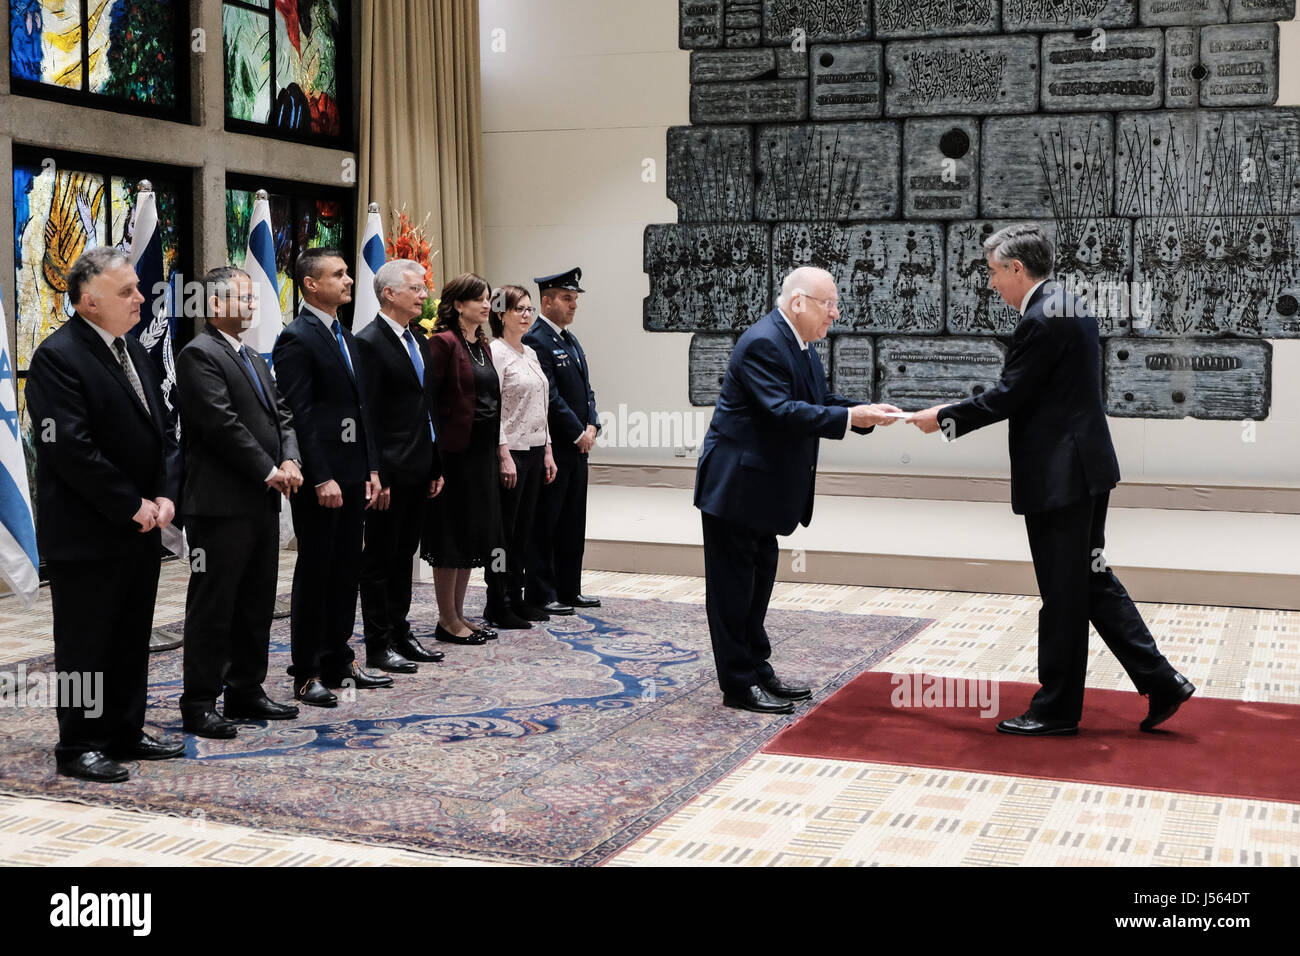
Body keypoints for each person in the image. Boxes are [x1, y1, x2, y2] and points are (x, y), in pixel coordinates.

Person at [909, 223, 1194, 736]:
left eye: (995, 272)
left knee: (1064, 594)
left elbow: (1008, 395)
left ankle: (1057, 709)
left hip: (1061, 477)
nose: (992, 283)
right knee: (1090, 578)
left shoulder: (1040, 320)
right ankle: (1162, 680)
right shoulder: (1069, 302)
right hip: (1087, 468)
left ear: (1018, 268)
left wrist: (945, 418)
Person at [694, 267, 902, 714]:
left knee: (757, 584)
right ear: (798, 303)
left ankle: (757, 668)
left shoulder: (800, 344)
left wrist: (862, 411)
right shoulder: (765, 343)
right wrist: (851, 419)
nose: (836, 311)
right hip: (736, 489)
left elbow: (818, 402)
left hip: (762, 493)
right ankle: (738, 683)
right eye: (828, 303)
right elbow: (782, 412)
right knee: (733, 592)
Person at [25, 246, 184, 781]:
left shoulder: (132, 347)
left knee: (129, 635)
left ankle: (124, 728)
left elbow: (161, 431)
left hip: (142, 526)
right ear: (89, 302)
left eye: (138, 287)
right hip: (88, 531)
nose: (141, 298)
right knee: (85, 643)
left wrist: (163, 496)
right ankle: (79, 745)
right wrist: (129, 503)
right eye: (127, 292)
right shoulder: (58, 355)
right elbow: (70, 448)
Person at [175, 266, 304, 738]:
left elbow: (282, 413)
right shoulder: (199, 354)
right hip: (218, 504)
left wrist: (289, 457)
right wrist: (269, 470)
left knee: (256, 600)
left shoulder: (251, 354)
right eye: (244, 299)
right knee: (214, 604)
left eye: (252, 300)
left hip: (261, 501)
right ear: (213, 305)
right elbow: (220, 424)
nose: (253, 307)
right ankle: (200, 701)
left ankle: (246, 689)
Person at [272, 247, 392, 707]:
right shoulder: (297, 338)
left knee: (347, 570)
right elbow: (298, 414)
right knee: (317, 573)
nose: (348, 280)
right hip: (322, 481)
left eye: (347, 273)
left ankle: (340, 658)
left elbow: (363, 412)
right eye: (338, 274)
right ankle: (306, 671)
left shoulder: (344, 334)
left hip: (353, 475)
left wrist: (373, 469)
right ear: (311, 284)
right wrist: (320, 476)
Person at [353, 259, 447, 671]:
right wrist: (379, 474)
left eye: (424, 288)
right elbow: (367, 414)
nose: (424, 295)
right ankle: (378, 642)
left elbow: (426, 409)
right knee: (380, 559)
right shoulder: (369, 342)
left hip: (419, 466)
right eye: (416, 288)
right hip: (389, 472)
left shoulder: (419, 340)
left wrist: (435, 465)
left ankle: (400, 631)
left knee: (405, 553)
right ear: (389, 293)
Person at [421, 273, 506, 645]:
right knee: (451, 536)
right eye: (478, 299)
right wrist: (434, 457)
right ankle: (446, 619)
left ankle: (459, 614)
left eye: (488, 299)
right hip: (454, 455)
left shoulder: (482, 345)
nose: (487, 305)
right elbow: (431, 403)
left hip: (482, 453)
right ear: (458, 304)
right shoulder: (442, 343)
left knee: (472, 535)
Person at [523, 267, 599, 616]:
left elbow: (585, 390)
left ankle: (570, 589)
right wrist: (576, 431)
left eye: (575, 299)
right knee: (547, 521)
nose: (574, 306)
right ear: (547, 300)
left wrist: (593, 423)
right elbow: (550, 396)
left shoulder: (569, 339)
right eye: (567, 298)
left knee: (573, 521)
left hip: (578, 447)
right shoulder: (537, 338)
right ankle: (542, 591)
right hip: (556, 446)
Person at [486, 285, 558, 628]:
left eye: (530, 309)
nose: (527, 315)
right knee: (505, 532)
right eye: (519, 309)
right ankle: (497, 600)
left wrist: (547, 451)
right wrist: (503, 454)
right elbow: (494, 409)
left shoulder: (528, 352)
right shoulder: (496, 353)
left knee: (525, 530)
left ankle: (518, 596)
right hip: (510, 450)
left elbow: (541, 407)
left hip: (533, 448)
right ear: (501, 314)